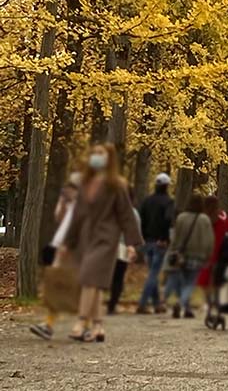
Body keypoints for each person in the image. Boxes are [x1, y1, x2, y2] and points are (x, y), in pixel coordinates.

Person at [63, 143, 143, 342]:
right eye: (94, 153)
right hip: (87, 236)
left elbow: (126, 214)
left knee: (89, 278)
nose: (96, 157)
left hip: (107, 237)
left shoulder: (116, 185)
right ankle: (98, 326)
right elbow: (78, 214)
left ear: (109, 159)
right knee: (96, 283)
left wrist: (131, 243)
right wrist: (68, 241)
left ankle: (81, 322)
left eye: (101, 154)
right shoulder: (86, 183)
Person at [30, 172, 82, 340]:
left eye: (72, 188)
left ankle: (86, 325)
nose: (68, 191)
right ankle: (50, 324)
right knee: (58, 287)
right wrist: (62, 202)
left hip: (73, 251)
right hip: (62, 248)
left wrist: (69, 246)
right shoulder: (71, 206)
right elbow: (59, 220)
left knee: (74, 289)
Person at [162, 191, 214, 318]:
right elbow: (209, 240)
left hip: (182, 256)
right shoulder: (205, 220)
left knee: (184, 282)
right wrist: (208, 255)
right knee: (190, 283)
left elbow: (176, 237)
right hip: (198, 256)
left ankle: (186, 308)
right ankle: (181, 303)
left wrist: (173, 250)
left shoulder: (181, 217)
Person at [137, 172, 174, 314]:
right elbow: (167, 221)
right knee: (153, 273)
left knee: (152, 271)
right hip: (160, 243)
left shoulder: (147, 201)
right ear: (166, 186)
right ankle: (142, 303)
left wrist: (144, 237)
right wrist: (164, 239)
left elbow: (142, 221)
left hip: (148, 241)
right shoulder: (168, 202)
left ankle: (157, 304)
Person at [107, 185, 141, 315]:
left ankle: (110, 301)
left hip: (111, 245)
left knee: (111, 275)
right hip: (124, 246)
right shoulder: (133, 212)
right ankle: (112, 303)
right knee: (119, 276)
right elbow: (135, 231)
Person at [196, 194, 228, 304]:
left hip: (206, 249)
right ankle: (217, 297)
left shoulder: (202, 217)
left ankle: (208, 299)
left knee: (205, 277)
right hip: (221, 250)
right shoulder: (222, 216)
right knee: (219, 276)